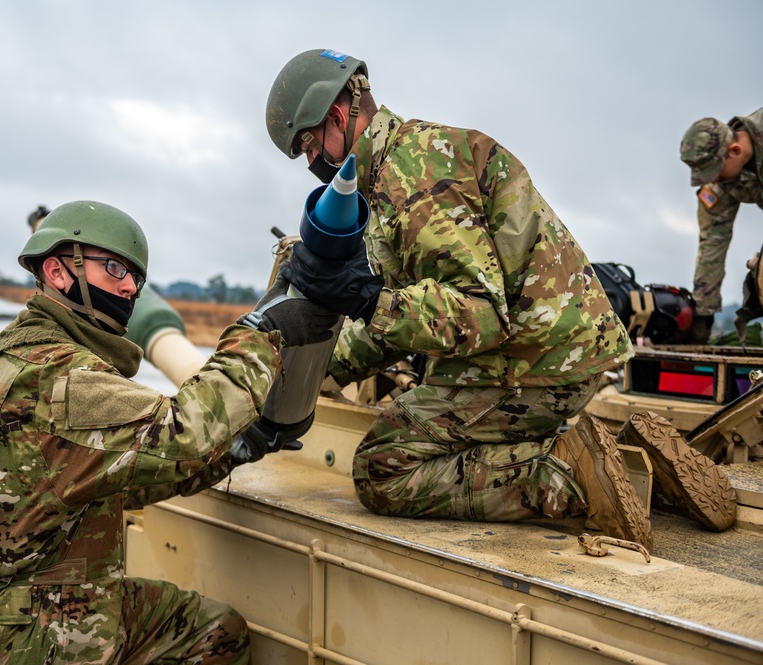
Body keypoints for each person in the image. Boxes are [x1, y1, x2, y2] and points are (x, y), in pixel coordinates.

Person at [265, 49, 738, 551]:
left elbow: (479, 315)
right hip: (553, 350)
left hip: (533, 361)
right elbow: (398, 322)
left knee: (383, 466)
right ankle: (639, 468)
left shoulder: (411, 181)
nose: (310, 164)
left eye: (308, 147)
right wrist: (313, 377)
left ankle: (568, 477)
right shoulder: (403, 165)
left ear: (337, 116)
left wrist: (367, 301)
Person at [0, 200, 339, 663]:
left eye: (136, 276)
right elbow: (183, 431)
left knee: (214, 630)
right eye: (113, 268)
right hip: (24, 634)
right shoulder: (58, 375)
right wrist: (260, 332)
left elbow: (130, 477)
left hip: (47, 600)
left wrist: (240, 445)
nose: (130, 287)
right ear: (56, 271)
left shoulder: (30, 353)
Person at [680, 108, 763, 342]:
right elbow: (711, 250)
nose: (713, 181)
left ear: (734, 151)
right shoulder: (721, 186)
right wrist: (701, 317)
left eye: (715, 173)